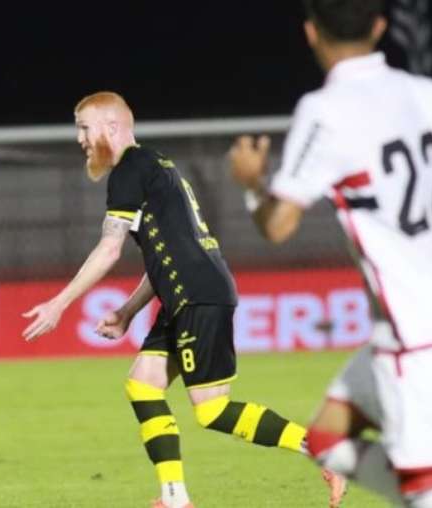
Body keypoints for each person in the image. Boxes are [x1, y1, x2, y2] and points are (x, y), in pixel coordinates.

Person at [228, 0, 432, 507]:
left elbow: (278, 226)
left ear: (311, 33)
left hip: (415, 324)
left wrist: (252, 185)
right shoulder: (421, 93)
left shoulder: (326, 110)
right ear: (380, 26)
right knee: (326, 439)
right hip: (430, 311)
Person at [22, 91, 346, 508]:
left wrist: (59, 303)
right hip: (188, 293)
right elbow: (167, 255)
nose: (80, 138)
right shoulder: (155, 166)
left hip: (197, 295)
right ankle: (174, 497)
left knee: (212, 410)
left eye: (85, 128)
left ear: (112, 126)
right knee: (143, 384)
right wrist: (127, 310)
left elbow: (109, 248)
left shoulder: (129, 169)